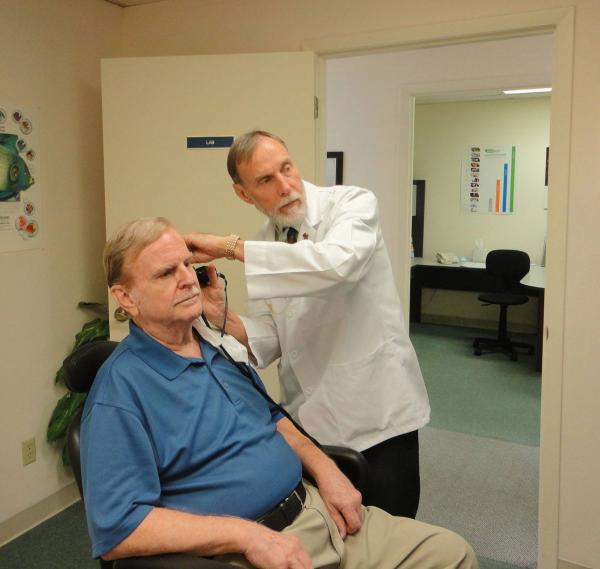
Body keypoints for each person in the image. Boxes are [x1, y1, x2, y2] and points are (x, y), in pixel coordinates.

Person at [80, 217, 477, 569]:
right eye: (166, 273)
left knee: (452, 554)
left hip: (317, 512)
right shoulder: (120, 393)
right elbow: (119, 528)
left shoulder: (216, 346)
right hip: (250, 550)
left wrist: (326, 470)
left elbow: (272, 420)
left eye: (188, 263)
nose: (186, 278)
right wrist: (247, 537)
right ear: (125, 298)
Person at [184, 130, 430, 518]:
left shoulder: (351, 204)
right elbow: (271, 337)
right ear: (244, 194)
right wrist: (222, 317)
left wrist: (228, 247)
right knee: (336, 536)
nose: (285, 186)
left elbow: (335, 265)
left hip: (376, 415)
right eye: (266, 180)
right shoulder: (267, 241)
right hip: (311, 422)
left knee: (389, 536)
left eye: (287, 168)